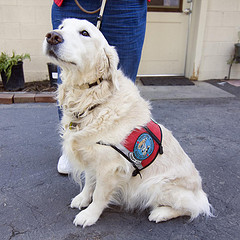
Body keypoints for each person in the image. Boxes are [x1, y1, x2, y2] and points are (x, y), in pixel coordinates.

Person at [51, 0, 147, 174]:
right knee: (70, 71)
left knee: (120, 79)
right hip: (74, 2)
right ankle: (73, 145)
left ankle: (116, 148)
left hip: (126, 4)